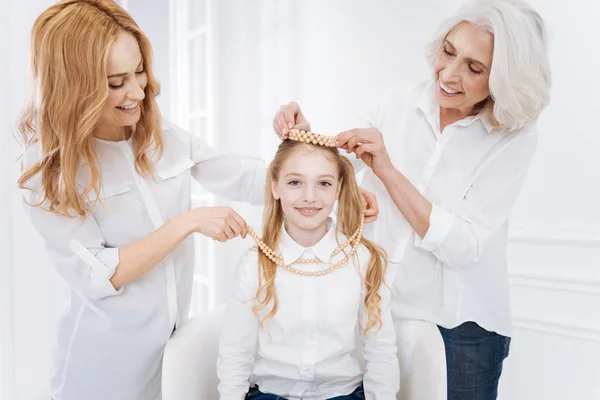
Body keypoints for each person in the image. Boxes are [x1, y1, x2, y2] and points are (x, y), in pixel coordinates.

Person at [18, 2, 378, 399]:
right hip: (104, 369)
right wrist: (187, 222)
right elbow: (97, 274)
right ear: (76, 86)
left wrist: (317, 170)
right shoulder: (47, 171)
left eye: (139, 71)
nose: (138, 91)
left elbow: (244, 177)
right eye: (116, 81)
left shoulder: (157, 133)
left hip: (172, 352)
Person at [272, 0, 551, 398]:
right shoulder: (399, 103)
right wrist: (304, 134)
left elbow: (463, 246)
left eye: (474, 68)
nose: (449, 75)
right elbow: (343, 166)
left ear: (504, 79)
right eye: (448, 52)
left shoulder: (514, 139)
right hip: (382, 308)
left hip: (461, 328)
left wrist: (387, 169)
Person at [217, 135, 399, 399]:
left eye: (323, 183)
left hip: (341, 393)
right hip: (271, 393)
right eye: (294, 182)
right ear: (275, 187)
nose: (309, 197)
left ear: (338, 189)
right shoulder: (253, 264)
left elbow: (380, 350)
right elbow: (235, 354)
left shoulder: (362, 260)